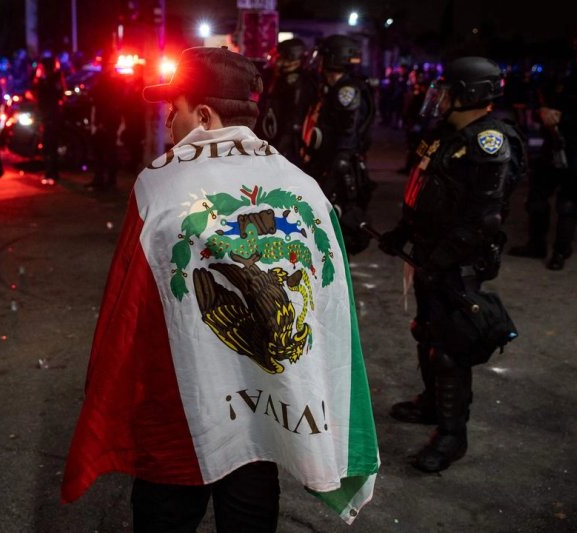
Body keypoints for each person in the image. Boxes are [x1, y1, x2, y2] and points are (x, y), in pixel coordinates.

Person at [61, 47, 379, 530]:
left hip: (183, 406)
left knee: (167, 511)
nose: (168, 123)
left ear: (205, 115)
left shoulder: (161, 185)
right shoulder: (303, 185)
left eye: (176, 109)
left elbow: (131, 313)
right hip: (270, 401)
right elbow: (332, 312)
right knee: (251, 502)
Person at [378, 57, 523, 473]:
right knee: (427, 332)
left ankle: (452, 434)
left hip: (458, 262)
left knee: (451, 349)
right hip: (430, 253)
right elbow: (425, 192)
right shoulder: (447, 134)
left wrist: (439, 260)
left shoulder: (489, 142)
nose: (440, 99)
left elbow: (485, 221)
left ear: (473, 94)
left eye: (449, 91)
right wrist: (403, 234)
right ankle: (430, 404)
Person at [508, 35, 577, 270]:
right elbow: (545, 105)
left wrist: (564, 118)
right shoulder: (566, 81)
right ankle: (536, 245)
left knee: (568, 204)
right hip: (552, 147)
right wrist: (542, 113)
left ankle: (560, 252)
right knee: (536, 199)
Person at [301, 34, 376, 254]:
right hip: (327, 162)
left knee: (335, 220)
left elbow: (346, 136)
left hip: (337, 168)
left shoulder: (347, 91)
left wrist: (331, 178)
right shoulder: (333, 88)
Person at [257, 38, 317, 166]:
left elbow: (294, 120)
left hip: (288, 146)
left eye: (280, 56)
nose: (276, 60)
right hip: (273, 139)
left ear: (292, 57)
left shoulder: (298, 83)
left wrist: (279, 150)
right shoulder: (279, 78)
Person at [86, 56, 123, 191]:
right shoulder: (105, 81)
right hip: (104, 121)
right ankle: (100, 179)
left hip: (108, 122)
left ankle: (109, 181)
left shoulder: (111, 83)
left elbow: (111, 104)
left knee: (108, 152)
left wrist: (103, 122)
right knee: (100, 152)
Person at [33, 55, 66, 185]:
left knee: (50, 146)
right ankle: (50, 172)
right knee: (48, 146)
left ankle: (52, 173)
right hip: (48, 116)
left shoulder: (53, 79)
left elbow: (58, 95)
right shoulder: (45, 80)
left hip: (51, 116)